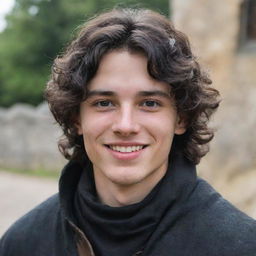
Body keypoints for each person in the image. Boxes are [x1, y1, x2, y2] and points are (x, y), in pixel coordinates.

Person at [0, 8, 256, 256]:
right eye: (104, 103)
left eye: (149, 103)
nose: (125, 125)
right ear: (77, 117)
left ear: (181, 118)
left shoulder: (241, 246)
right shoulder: (22, 243)